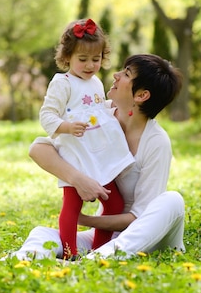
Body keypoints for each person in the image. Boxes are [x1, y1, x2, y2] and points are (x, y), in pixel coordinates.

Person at [2, 53, 185, 261]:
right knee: (42, 234)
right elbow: (38, 149)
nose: (115, 75)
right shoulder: (98, 115)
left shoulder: (156, 142)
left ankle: (91, 262)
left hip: (147, 238)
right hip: (106, 238)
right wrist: (79, 180)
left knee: (173, 200)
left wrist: (85, 219)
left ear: (141, 95)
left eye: (126, 73)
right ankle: (14, 263)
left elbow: (139, 218)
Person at [39, 18, 135, 260]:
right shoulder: (63, 83)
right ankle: (70, 254)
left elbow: (94, 109)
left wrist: (110, 106)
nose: (90, 65)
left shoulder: (94, 82)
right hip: (75, 155)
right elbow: (47, 115)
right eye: (82, 59)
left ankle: (98, 249)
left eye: (96, 59)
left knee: (114, 204)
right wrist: (66, 126)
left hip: (98, 153)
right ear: (67, 57)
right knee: (72, 206)